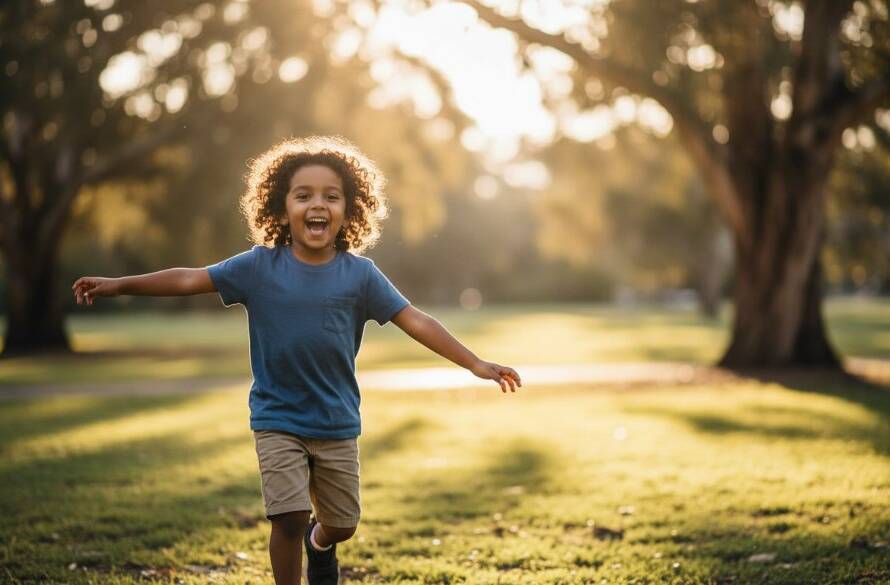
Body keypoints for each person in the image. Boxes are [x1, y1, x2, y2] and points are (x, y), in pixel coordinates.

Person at [71, 136, 522, 585]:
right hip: (277, 416)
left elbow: (417, 321)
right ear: (281, 207)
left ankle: (320, 544)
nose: (317, 205)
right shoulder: (258, 267)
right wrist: (118, 284)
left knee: (343, 524)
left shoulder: (361, 275)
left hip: (336, 421)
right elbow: (190, 278)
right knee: (288, 516)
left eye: (331, 196)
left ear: (350, 209)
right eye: (302, 195)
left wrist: (475, 363)